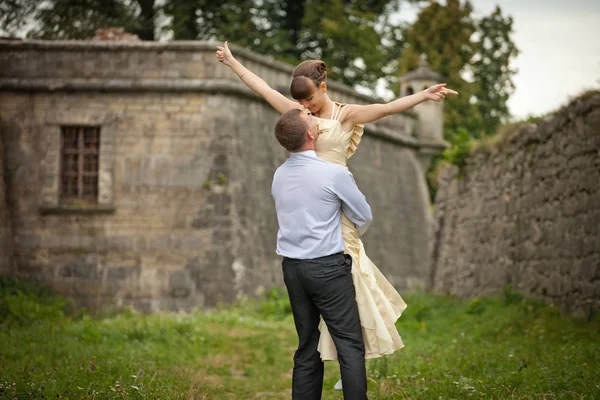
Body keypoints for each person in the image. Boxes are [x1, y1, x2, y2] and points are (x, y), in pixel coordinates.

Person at [216, 41, 458, 388]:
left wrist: (423, 96)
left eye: (310, 100)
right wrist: (233, 63)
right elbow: (262, 87)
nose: (304, 107)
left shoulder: (346, 115)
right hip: (312, 202)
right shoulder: (300, 116)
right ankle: (346, 355)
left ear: (323, 88)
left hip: (337, 198)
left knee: (354, 287)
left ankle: (353, 352)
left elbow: (387, 108)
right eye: (299, 102)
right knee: (335, 298)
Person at [272, 108, 372, 399]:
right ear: (311, 135)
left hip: (293, 270)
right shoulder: (333, 173)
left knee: (306, 346)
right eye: (311, 122)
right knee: (349, 345)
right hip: (328, 269)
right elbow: (364, 215)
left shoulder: (278, 175)